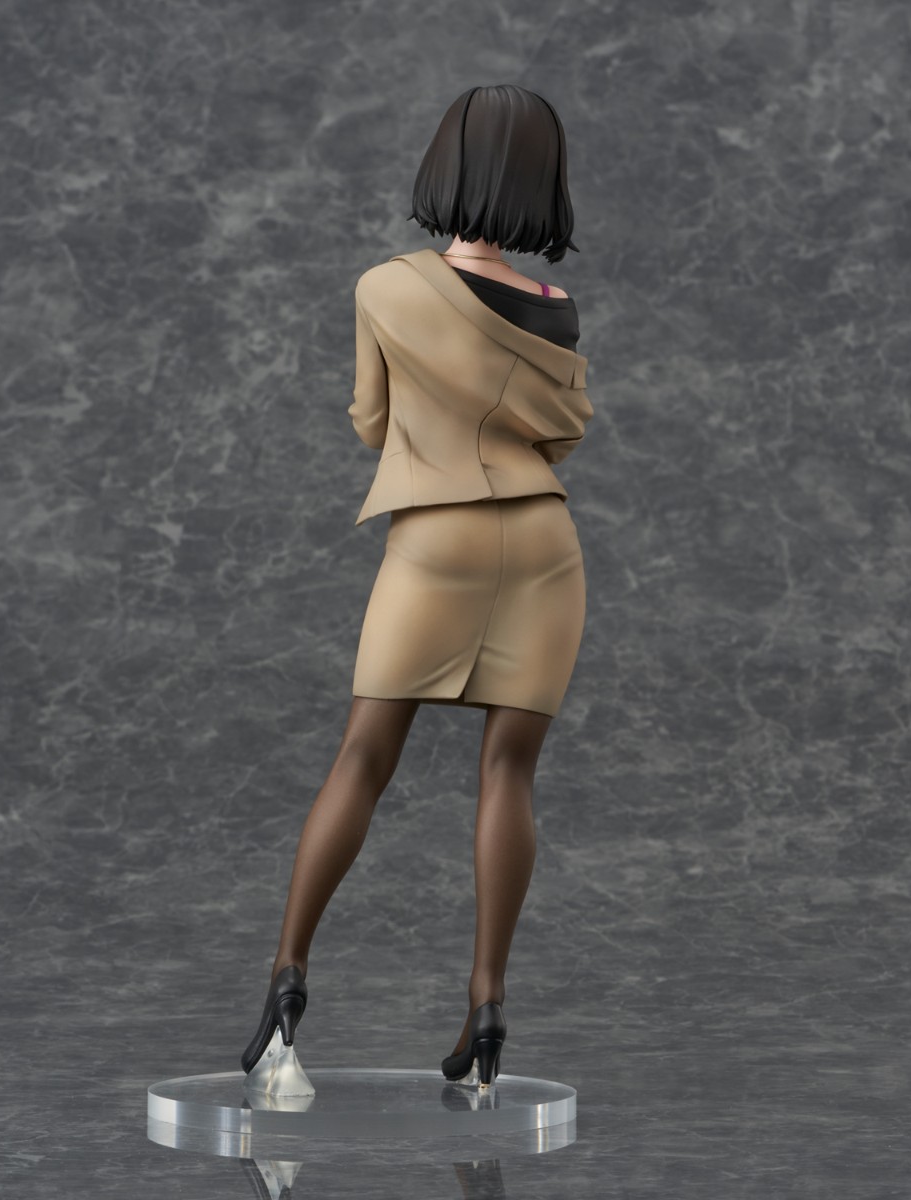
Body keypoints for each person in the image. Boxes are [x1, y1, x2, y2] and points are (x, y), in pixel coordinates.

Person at [240, 84, 595, 1092]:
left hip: (436, 536)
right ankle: (487, 1008)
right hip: (543, 544)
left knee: (364, 755)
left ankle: (287, 982)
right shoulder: (557, 309)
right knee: (509, 773)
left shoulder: (385, 289)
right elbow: (567, 433)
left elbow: (369, 421)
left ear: (447, 166)